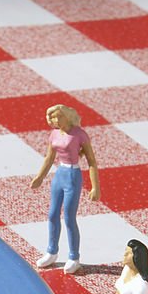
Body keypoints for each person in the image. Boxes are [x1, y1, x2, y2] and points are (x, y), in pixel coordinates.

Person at [30, 104, 100, 274]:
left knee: (69, 218)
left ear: (66, 116)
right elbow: (49, 158)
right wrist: (40, 177)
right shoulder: (54, 134)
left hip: (73, 175)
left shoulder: (79, 134)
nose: (54, 120)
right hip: (59, 174)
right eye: (52, 118)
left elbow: (91, 161)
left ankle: (74, 257)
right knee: (53, 214)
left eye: (58, 117)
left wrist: (95, 186)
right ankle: (51, 251)